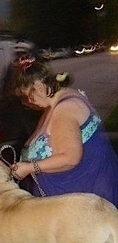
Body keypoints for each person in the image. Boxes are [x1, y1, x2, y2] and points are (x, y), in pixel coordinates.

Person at [9, 54, 118, 207]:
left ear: (39, 87)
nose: (29, 101)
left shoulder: (64, 111)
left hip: (82, 197)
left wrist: (29, 168)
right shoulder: (64, 97)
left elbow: (70, 158)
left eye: (29, 95)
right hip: (86, 186)